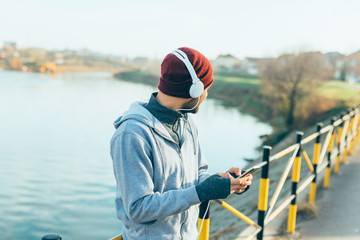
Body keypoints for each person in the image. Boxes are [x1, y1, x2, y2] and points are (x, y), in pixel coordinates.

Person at [110, 47, 253, 240]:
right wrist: (200, 192)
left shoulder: (186, 123)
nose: (206, 95)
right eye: (207, 89)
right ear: (194, 90)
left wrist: (222, 182)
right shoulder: (132, 134)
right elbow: (138, 208)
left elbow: (197, 175)